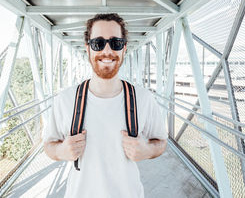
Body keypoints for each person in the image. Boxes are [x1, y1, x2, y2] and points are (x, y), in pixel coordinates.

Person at [43, 13, 168, 198]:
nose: (107, 51)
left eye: (115, 43)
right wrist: (61, 151)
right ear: (88, 49)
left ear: (124, 48)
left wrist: (148, 150)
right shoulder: (65, 100)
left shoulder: (144, 99)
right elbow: (49, 145)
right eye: (98, 43)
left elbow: (161, 142)